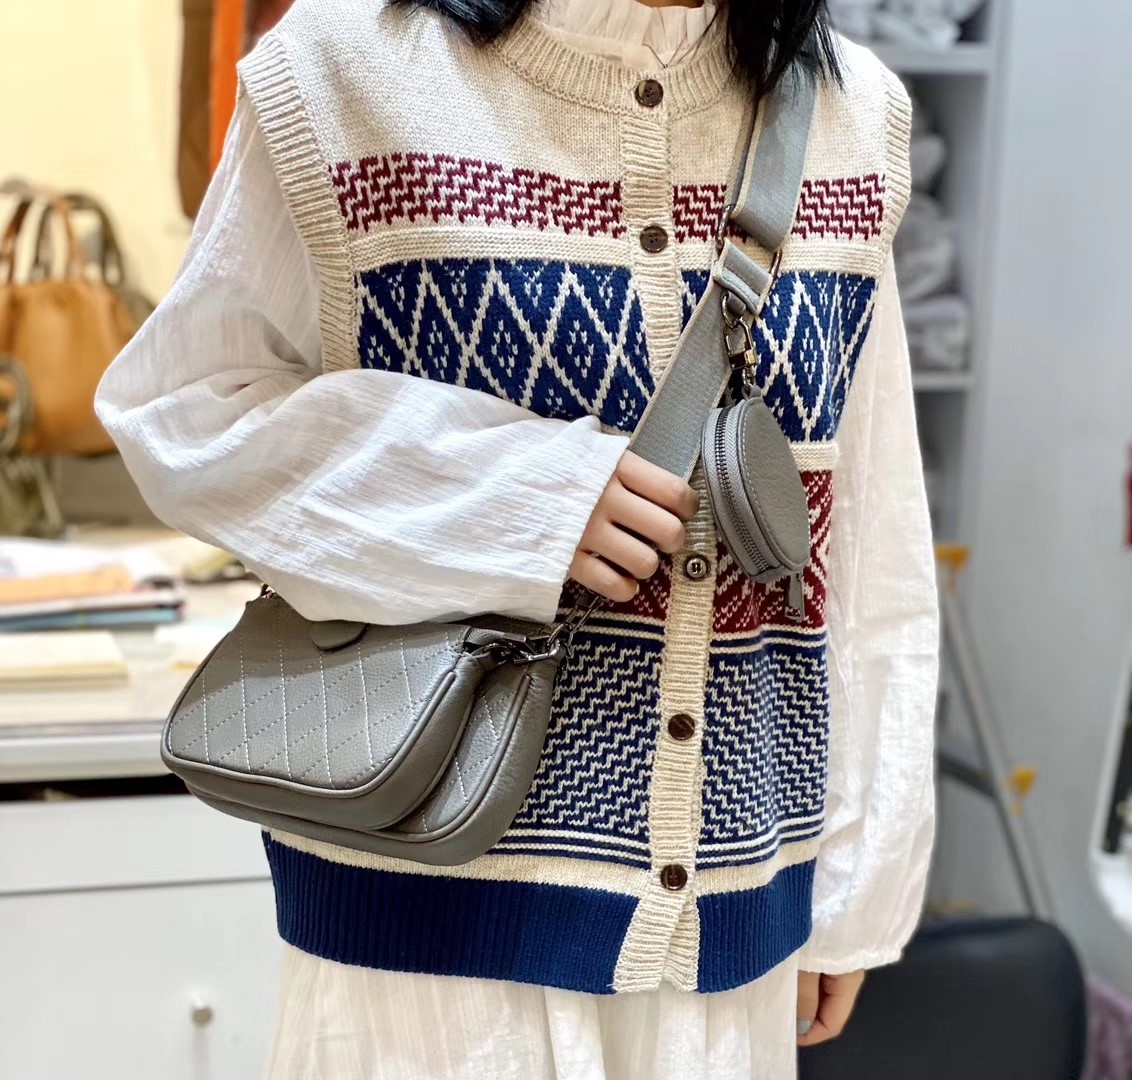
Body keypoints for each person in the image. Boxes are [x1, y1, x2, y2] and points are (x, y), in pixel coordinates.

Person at [96, 0, 939, 1075]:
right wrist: (522, 498)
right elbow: (186, 411)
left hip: (726, 948)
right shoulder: (345, 70)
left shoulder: (850, 113)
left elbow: (870, 532)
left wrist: (857, 890)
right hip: (421, 946)